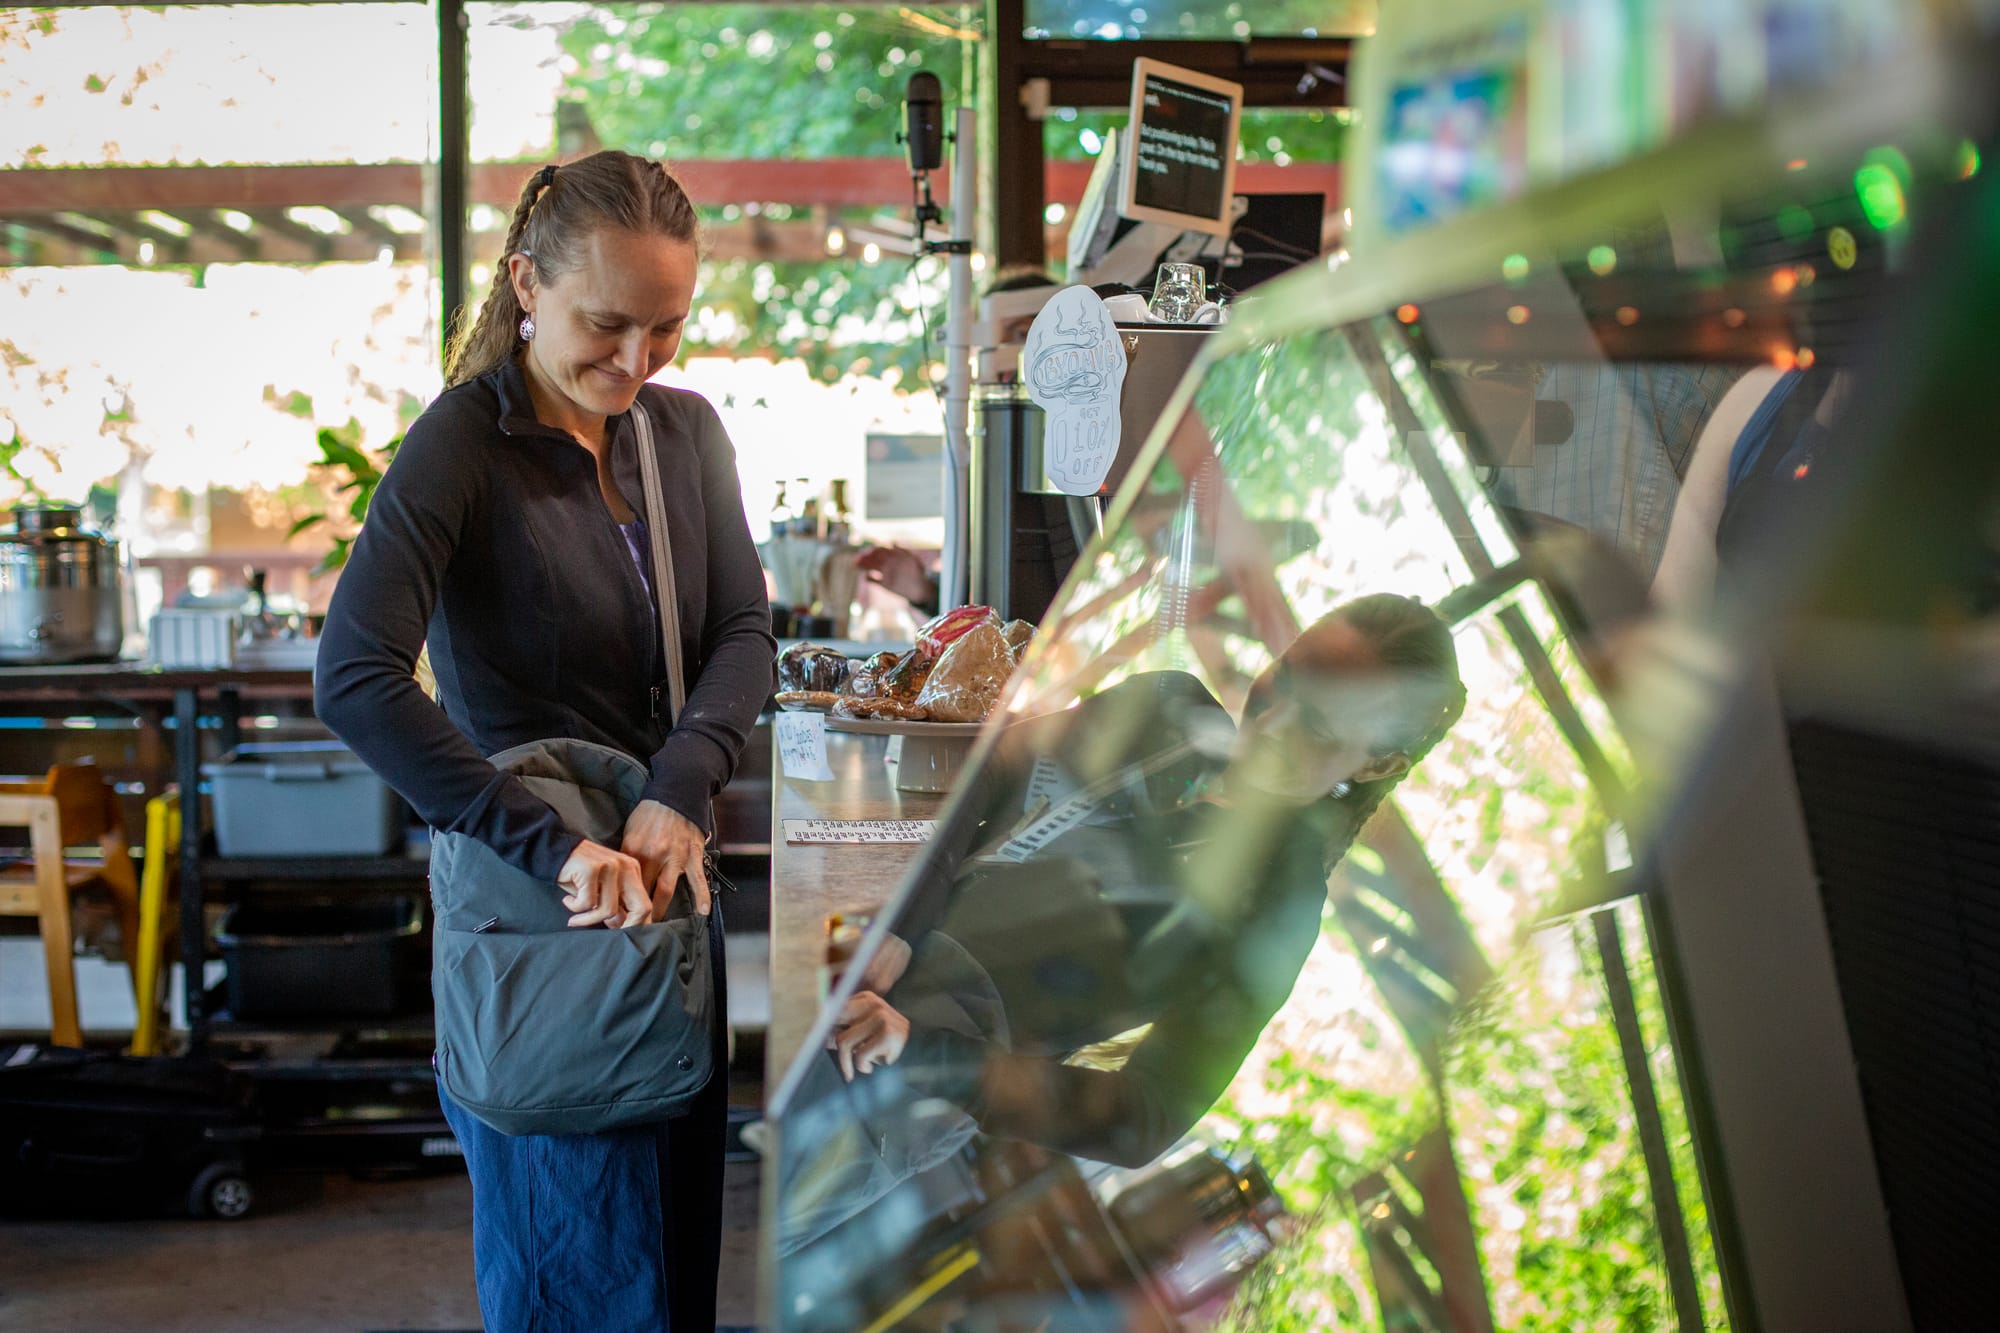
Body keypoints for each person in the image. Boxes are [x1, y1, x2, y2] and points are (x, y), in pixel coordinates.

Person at [315, 150, 775, 1331]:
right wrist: (549, 844)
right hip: (540, 918)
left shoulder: (684, 434)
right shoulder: (461, 444)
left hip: (670, 897)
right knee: (573, 1271)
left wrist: (681, 785)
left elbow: (740, 631)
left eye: (665, 329)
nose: (634, 361)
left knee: (671, 1272)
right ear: (528, 283)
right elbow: (354, 677)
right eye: (606, 325)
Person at [777, 594, 1463, 1251]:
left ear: (1379, 762)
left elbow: (1145, 1116)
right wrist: (900, 922)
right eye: (1283, 678)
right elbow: (996, 760)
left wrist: (920, 1053)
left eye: (1316, 725)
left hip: (890, 1082)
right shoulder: (1169, 706)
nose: (1273, 721)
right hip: (854, 959)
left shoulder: (1277, 903)